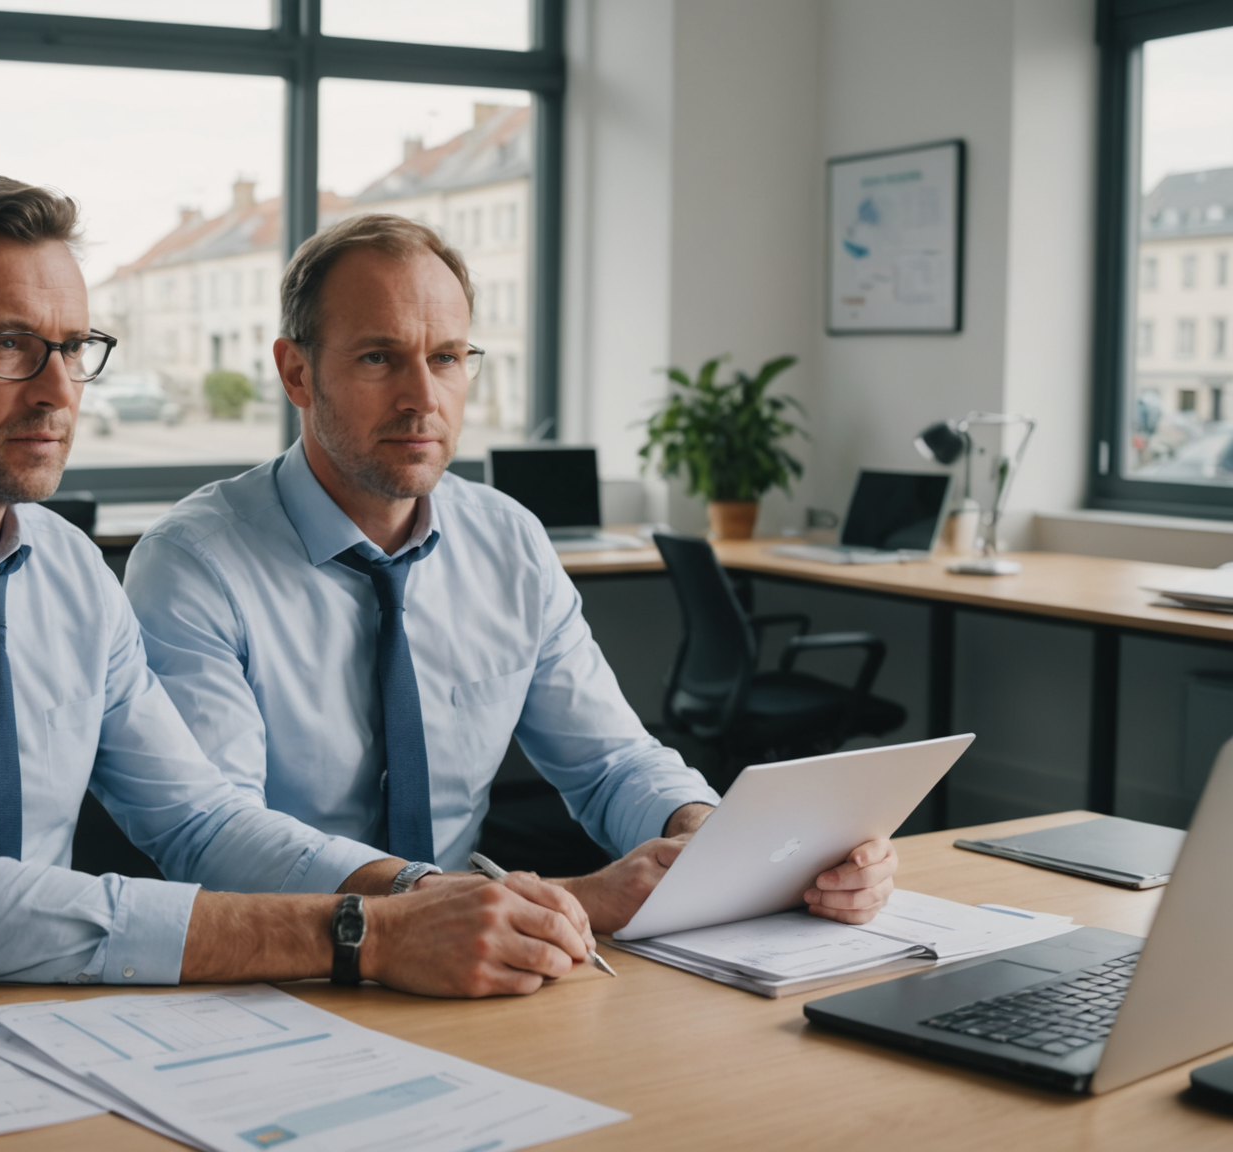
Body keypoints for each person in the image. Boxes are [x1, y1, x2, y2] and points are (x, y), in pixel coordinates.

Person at [0, 175, 596, 1008]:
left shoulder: (70, 569)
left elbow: (199, 822)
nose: (57, 392)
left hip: (48, 1020)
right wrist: (360, 933)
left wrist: (420, 893)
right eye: (9, 346)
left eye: (73, 348)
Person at [123, 213, 899, 934]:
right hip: (290, 956)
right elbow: (214, 832)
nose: (423, 398)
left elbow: (610, 762)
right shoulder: (194, 563)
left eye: (447, 358)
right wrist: (441, 904)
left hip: (477, 945)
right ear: (296, 374)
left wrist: (712, 838)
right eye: (378, 358)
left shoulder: (507, 540)